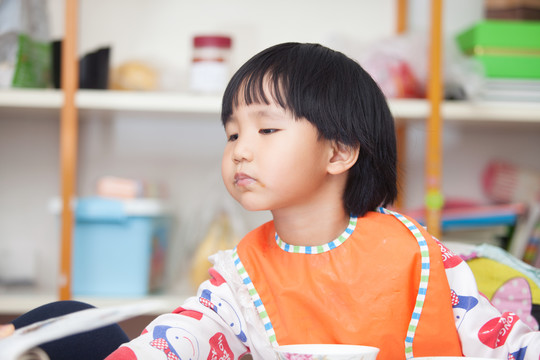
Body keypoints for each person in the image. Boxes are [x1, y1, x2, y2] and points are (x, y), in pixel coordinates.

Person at [3, 42, 540, 359]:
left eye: (267, 129)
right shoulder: (243, 270)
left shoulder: (415, 256)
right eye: (233, 134)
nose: (240, 151)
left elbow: (502, 344)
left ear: (339, 152)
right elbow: (188, 332)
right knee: (58, 316)